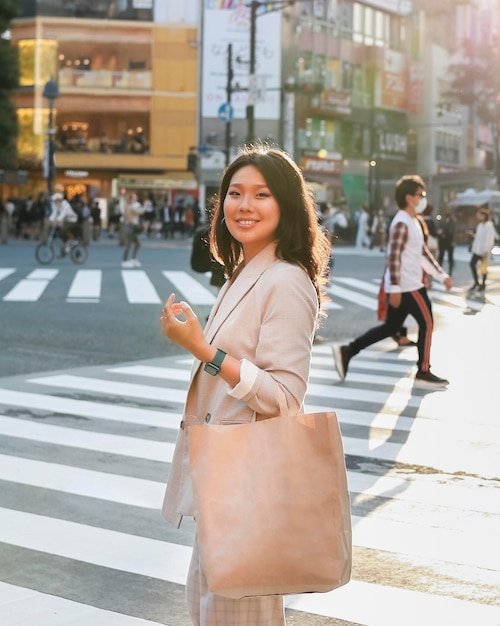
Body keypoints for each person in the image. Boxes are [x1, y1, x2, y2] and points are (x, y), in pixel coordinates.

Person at [159, 145, 331, 626]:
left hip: (249, 480)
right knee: (209, 607)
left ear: (287, 206)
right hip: (225, 476)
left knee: (234, 614)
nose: (244, 205)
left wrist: (203, 349)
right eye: (235, 193)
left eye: (261, 194)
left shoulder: (286, 280)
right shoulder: (244, 273)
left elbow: (285, 397)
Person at [333, 175, 452, 387]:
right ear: (409, 198)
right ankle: (423, 370)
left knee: (390, 327)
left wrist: (441, 276)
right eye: (420, 195)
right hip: (408, 285)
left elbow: (422, 254)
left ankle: (348, 350)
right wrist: (395, 288)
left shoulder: (413, 221)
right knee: (427, 323)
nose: (423, 198)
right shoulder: (402, 223)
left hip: (407, 284)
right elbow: (393, 256)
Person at [468, 208, 497, 293]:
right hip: (477, 249)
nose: (478, 217)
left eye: (480, 215)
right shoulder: (480, 225)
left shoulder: (489, 225)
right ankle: (476, 282)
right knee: (472, 264)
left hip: (484, 250)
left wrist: (487, 250)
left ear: (484, 216)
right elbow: (479, 237)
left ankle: (483, 284)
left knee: (484, 267)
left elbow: (489, 239)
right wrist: (473, 235)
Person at [122, 191, 144, 267]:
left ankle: (133, 259)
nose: (136, 198)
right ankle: (125, 261)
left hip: (132, 227)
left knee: (137, 244)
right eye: (134, 197)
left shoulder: (131, 206)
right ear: (131, 198)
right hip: (130, 226)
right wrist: (146, 206)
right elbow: (140, 212)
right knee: (129, 244)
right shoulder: (129, 207)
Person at [437, 208, 457, 276]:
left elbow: (454, 231)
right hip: (442, 240)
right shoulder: (442, 220)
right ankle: (439, 270)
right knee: (441, 256)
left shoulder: (452, 221)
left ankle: (450, 271)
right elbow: (439, 228)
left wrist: (453, 240)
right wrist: (440, 233)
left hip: (449, 240)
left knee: (450, 257)